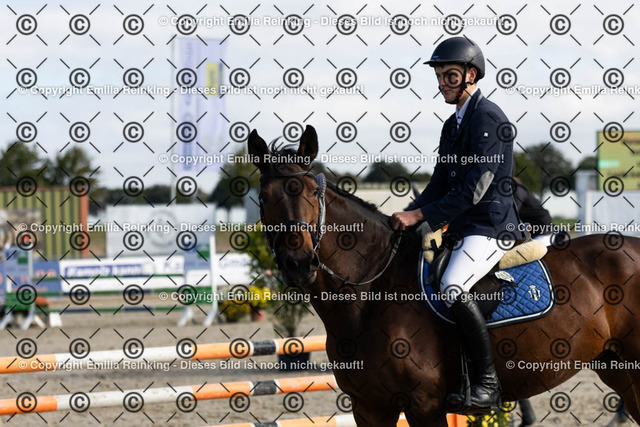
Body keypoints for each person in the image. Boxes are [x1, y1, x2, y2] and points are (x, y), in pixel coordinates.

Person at [390, 36, 524, 413]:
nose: (442, 83)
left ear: (471, 75)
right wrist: (404, 216)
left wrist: (421, 216)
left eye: (450, 75)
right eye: (439, 76)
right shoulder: (452, 125)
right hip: (464, 228)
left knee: (452, 285)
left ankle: (487, 384)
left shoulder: (488, 117)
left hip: (491, 226)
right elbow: (438, 185)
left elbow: (474, 190)